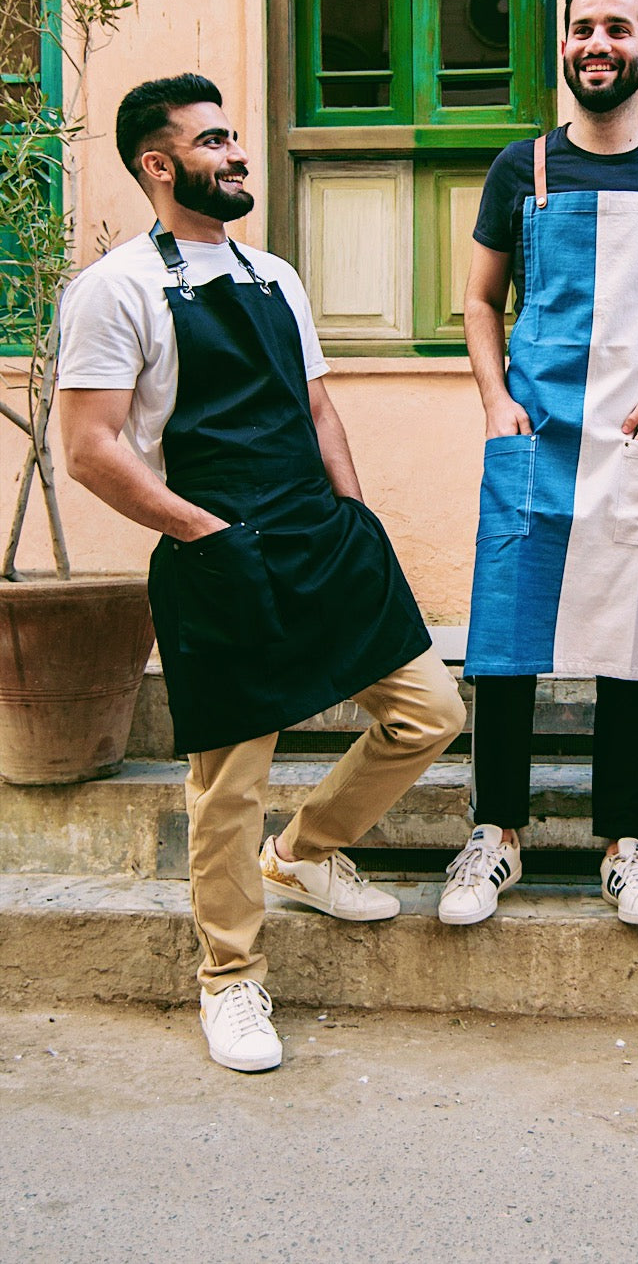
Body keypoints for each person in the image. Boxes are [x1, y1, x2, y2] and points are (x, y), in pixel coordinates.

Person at [58, 74, 465, 1075]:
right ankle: (230, 978)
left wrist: (353, 515)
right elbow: (90, 449)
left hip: (319, 535)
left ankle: (306, 853)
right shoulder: (117, 288)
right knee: (227, 789)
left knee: (429, 712)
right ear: (160, 165)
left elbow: (319, 408)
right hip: (216, 552)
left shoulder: (274, 274)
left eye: (236, 137)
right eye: (215, 141)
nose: (239, 154)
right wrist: (208, 535)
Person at [439, 0, 638, 929]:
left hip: (637, 434)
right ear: (562, 46)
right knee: (506, 639)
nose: (596, 43)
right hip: (534, 432)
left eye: (617, 28)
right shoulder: (516, 170)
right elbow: (481, 301)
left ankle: (625, 841)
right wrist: (494, 400)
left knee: (634, 637)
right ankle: (496, 836)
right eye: (581, 28)